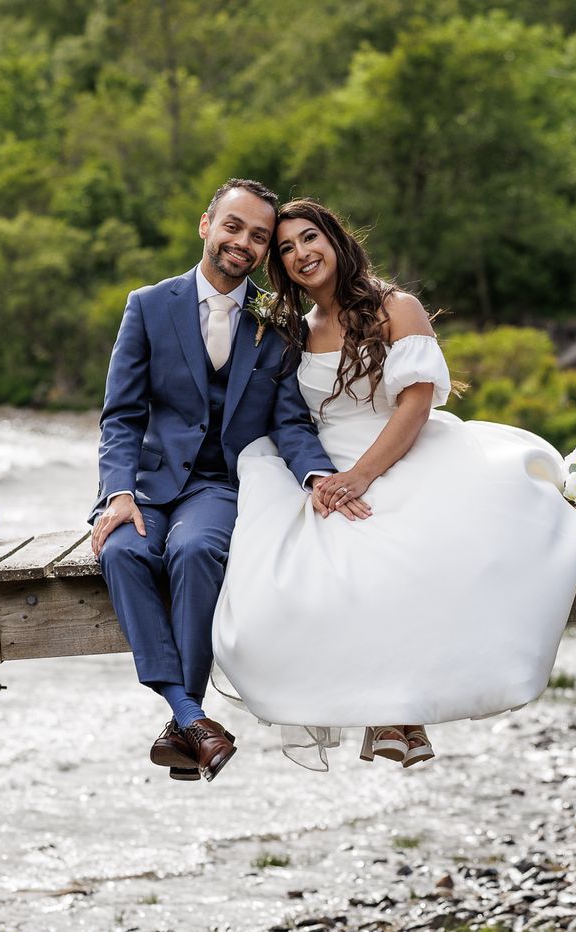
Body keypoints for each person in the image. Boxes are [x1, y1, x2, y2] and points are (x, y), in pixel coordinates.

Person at [211, 198, 576, 770]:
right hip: (328, 461)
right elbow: (291, 420)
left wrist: (361, 476)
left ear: (335, 239)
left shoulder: (396, 307)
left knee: (408, 545)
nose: (301, 253)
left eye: (310, 237)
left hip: (401, 447)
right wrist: (324, 478)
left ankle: (402, 711)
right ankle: (379, 704)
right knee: (304, 563)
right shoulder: (295, 331)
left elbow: (416, 404)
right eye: (286, 248)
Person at [90, 179, 369, 783]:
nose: (243, 242)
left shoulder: (279, 321)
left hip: (219, 485)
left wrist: (320, 477)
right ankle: (192, 719)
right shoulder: (148, 305)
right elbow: (122, 415)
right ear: (206, 225)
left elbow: (289, 421)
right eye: (233, 226)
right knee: (122, 551)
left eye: (259, 236)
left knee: (196, 551)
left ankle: (184, 725)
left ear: (265, 251)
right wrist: (118, 493)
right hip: (144, 483)